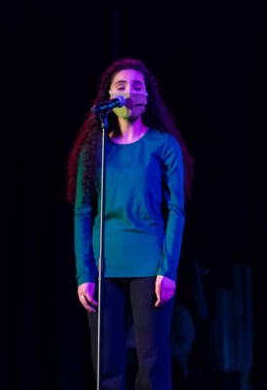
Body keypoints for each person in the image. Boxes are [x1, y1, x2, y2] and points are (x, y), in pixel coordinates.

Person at [67, 57, 194, 390]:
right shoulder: (95, 150)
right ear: (108, 95)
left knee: (152, 362)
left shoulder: (162, 145)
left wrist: (168, 270)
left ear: (147, 97)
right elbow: (82, 212)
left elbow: (176, 210)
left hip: (149, 264)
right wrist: (84, 274)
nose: (129, 92)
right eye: (121, 86)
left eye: (137, 86)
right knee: (106, 365)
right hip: (104, 264)